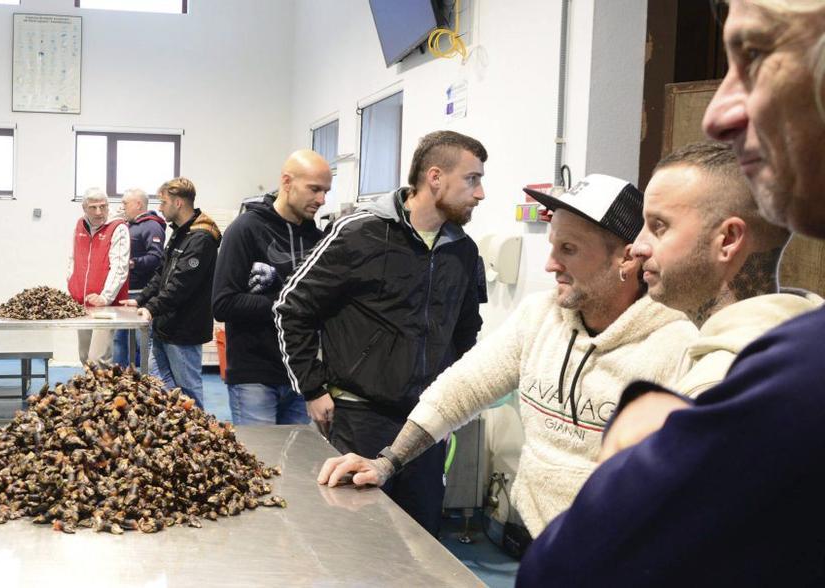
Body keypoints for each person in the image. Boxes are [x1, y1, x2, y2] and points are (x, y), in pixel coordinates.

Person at [518, 1, 825, 584]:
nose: (636, 250)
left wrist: (636, 440)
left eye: (757, 54)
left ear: (727, 241)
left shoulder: (770, 382)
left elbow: (568, 570)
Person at [314, 173, 698, 539]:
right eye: (552, 246)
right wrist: (386, 462)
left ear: (627, 260)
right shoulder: (540, 316)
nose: (550, 264)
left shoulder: (675, 346)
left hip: (618, 555)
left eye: (568, 249)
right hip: (541, 540)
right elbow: (460, 389)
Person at [275, 131, 489, 534]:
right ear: (436, 177)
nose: (479, 194)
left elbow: (466, 332)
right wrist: (312, 387)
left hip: (424, 424)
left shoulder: (463, 251)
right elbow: (292, 306)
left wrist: (448, 403)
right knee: (353, 541)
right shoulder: (359, 233)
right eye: (472, 180)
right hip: (359, 416)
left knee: (419, 538)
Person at [632, 140, 820, 398]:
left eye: (659, 226)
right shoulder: (804, 341)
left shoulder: (718, 390)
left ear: (729, 239)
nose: (637, 247)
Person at [212, 150, 329, 425]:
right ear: (287, 182)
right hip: (255, 377)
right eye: (314, 189)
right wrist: (287, 306)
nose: (322, 200)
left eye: (326, 191)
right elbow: (223, 303)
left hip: (302, 378)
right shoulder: (245, 230)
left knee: (296, 465)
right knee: (260, 464)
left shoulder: (318, 239)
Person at [125, 177, 220, 408]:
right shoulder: (179, 233)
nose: (159, 207)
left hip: (185, 331)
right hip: (165, 325)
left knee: (188, 389)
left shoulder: (201, 238)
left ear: (178, 203)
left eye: (163, 202)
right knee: (159, 384)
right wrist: (140, 301)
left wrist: (151, 308)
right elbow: (161, 273)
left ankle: (199, 437)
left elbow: (181, 286)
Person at [68, 187, 129, 367]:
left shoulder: (118, 228)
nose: (99, 212)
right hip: (82, 303)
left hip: (105, 306)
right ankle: (91, 393)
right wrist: (72, 284)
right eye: (93, 207)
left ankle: (104, 394)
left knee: (98, 359)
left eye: (103, 207)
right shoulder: (80, 225)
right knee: (84, 356)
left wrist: (105, 297)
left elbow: (119, 266)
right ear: (84, 208)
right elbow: (73, 257)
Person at [113, 187, 165, 367]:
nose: (122, 207)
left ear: (138, 204)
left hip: (140, 294)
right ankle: (118, 379)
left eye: (125, 203)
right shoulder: (127, 226)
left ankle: (140, 381)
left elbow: (157, 258)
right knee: (119, 340)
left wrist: (132, 263)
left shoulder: (152, 226)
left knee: (139, 341)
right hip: (123, 294)